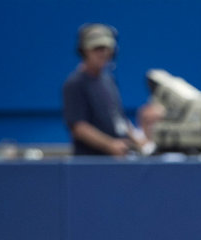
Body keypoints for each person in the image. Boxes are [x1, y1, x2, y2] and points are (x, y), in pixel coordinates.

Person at [62, 23, 150, 156]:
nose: (103, 53)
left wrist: (138, 140)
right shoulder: (75, 84)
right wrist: (110, 145)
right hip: (90, 164)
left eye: (107, 48)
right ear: (84, 51)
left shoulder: (108, 80)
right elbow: (78, 127)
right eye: (97, 48)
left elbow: (118, 117)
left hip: (114, 161)